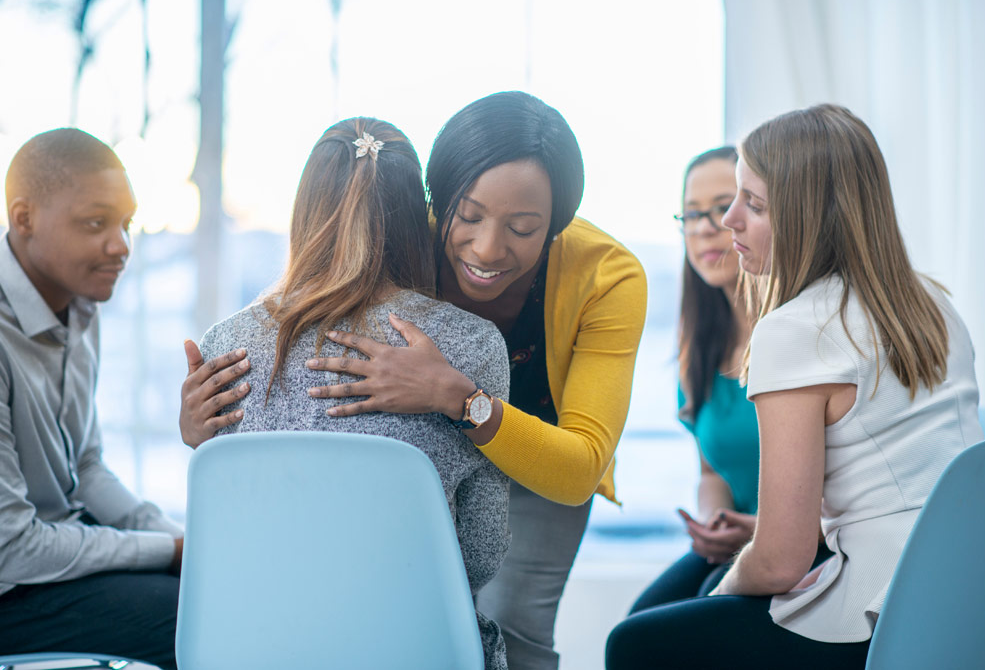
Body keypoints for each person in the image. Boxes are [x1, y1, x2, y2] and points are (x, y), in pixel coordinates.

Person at [180, 91, 648, 670]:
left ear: (557, 225)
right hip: (449, 476)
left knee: (518, 626)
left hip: (545, 459)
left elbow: (579, 469)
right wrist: (204, 429)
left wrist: (456, 396)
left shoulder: (607, 275)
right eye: (468, 216)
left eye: (523, 228)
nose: (486, 248)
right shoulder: (395, 231)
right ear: (434, 199)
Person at [605, 104, 983, 669]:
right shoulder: (934, 304)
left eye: (751, 204)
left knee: (633, 645)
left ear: (811, 217)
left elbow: (781, 559)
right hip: (972, 599)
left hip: (880, 614)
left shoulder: (793, 328)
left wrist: (718, 596)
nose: (729, 220)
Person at [193, 117, 512, 670]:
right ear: (417, 216)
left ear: (305, 210)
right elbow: (481, 555)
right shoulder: (471, 344)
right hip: (414, 647)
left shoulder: (228, 342)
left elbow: (228, 528)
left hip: (259, 648)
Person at [0, 128, 181, 669]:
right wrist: (168, 553)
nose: (121, 246)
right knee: (203, 614)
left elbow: (87, 467)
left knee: (221, 582)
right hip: (11, 584)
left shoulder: (81, 305)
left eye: (126, 224)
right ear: (24, 218)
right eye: (95, 223)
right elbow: (14, 548)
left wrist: (173, 537)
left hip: (56, 551)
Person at [631, 146, 833, 612]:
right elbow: (710, 471)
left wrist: (762, 527)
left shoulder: (800, 336)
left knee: (657, 640)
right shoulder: (699, 347)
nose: (707, 226)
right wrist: (714, 522)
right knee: (636, 623)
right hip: (742, 541)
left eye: (724, 207)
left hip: (810, 548)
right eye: (692, 214)